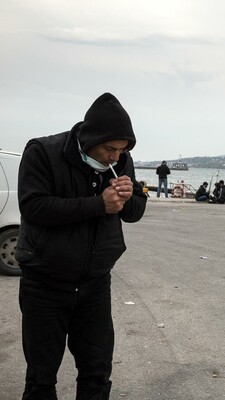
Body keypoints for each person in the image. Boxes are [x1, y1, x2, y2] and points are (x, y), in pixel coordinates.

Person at [16, 92, 147, 399]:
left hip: (94, 285)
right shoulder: (43, 152)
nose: (115, 157)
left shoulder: (122, 161)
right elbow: (33, 207)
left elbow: (135, 212)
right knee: (41, 377)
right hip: (44, 282)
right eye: (109, 149)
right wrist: (97, 204)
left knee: (97, 372)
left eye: (122, 149)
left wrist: (128, 198)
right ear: (90, 139)